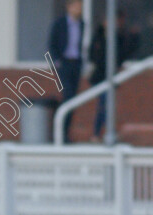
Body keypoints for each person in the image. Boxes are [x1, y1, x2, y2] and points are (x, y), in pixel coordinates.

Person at [88, 10, 140, 141]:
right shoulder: (98, 36)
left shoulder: (118, 37)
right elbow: (92, 55)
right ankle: (99, 133)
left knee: (108, 104)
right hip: (100, 76)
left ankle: (105, 132)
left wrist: (135, 37)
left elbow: (124, 54)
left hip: (111, 76)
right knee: (104, 104)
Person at [48, 0, 85, 143]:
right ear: (69, 7)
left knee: (73, 99)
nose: (79, 9)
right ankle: (59, 131)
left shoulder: (82, 24)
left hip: (76, 64)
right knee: (67, 95)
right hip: (63, 64)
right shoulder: (59, 24)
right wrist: (56, 61)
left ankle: (65, 132)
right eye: (76, 5)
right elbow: (52, 44)